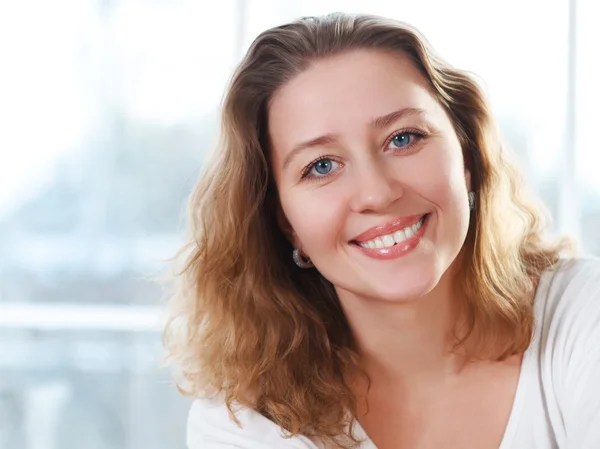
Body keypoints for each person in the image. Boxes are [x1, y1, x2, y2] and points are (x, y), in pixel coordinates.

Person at [163, 12, 600, 449]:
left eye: (404, 138)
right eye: (321, 166)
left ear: (467, 157)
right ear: (286, 223)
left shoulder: (583, 316)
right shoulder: (243, 423)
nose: (377, 193)